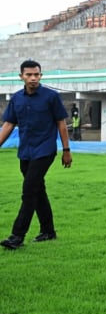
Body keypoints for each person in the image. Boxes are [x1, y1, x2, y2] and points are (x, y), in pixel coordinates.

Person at [0, 60, 73, 249]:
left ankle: (17, 236)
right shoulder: (16, 99)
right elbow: (8, 124)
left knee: (29, 191)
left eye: (37, 74)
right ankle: (48, 231)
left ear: (41, 75)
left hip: (45, 150)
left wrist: (66, 150)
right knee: (38, 190)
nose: (33, 78)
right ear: (21, 76)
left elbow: (61, 124)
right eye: (29, 75)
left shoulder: (51, 97)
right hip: (25, 152)